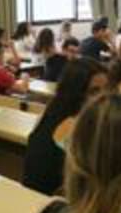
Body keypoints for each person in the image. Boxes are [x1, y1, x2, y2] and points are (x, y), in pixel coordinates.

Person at [23, 59, 109, 195]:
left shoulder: (52, 111)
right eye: (94, 91)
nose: (104, 98)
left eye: (107, 90)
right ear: (76, 92)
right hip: (54, 205)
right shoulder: (75, 127)